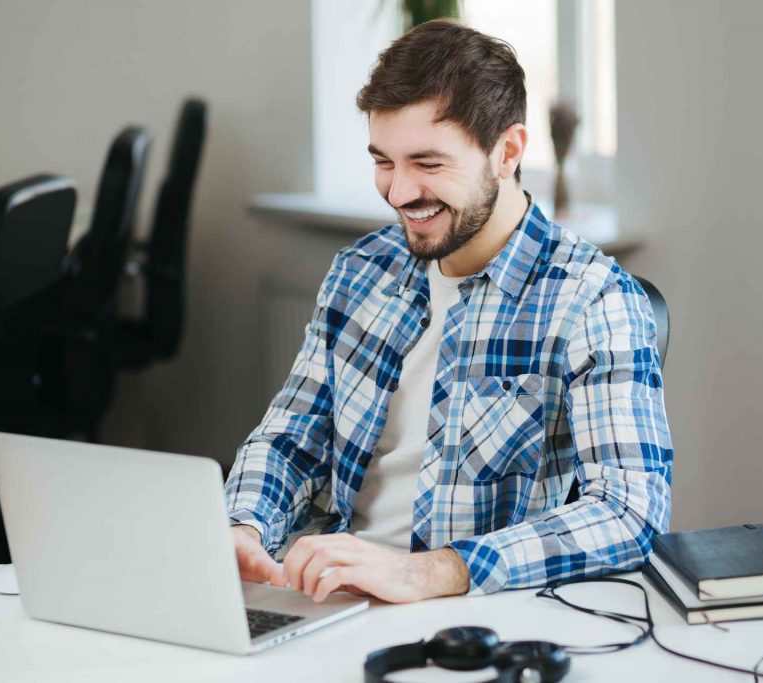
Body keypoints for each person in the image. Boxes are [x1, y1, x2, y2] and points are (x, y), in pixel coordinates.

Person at [225, 19, 672, 604]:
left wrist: (428, 571)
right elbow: (291, 440)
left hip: (473, 616)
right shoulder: (360, 271)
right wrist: (244, 524)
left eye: (428, 164)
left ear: (507, 151)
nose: (399, 192)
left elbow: (630, 513)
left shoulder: (594, 300)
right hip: (326, 598)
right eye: (383, 160)